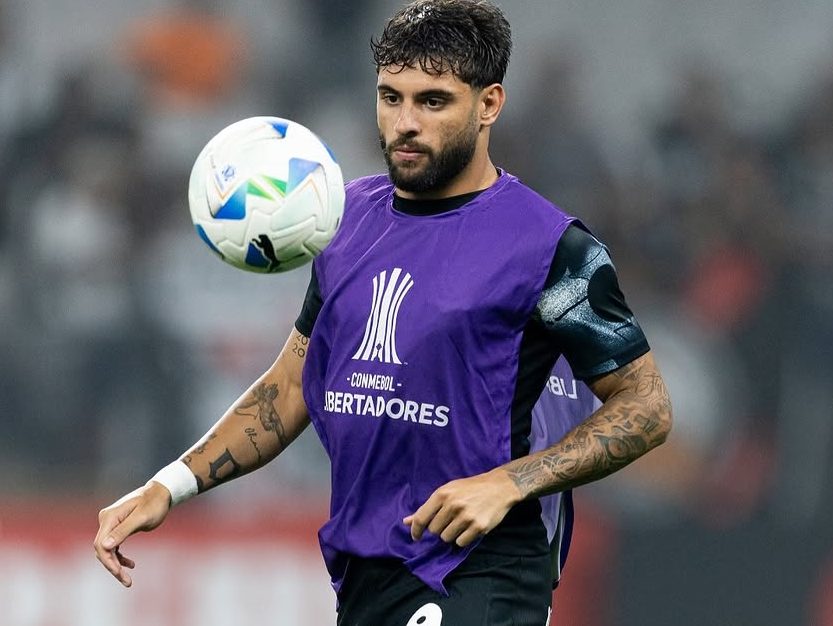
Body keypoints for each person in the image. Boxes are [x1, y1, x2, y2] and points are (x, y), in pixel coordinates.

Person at [93, 1, 673, 624]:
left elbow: (646, 406)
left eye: (432, 101)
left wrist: (511, 482)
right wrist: (171, 485)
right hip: (367, 571)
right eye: (390, 97)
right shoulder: (343, 224)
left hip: (477, 569)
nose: (404, 123)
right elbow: (291, 385)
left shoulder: (551, 248)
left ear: (489, 104)